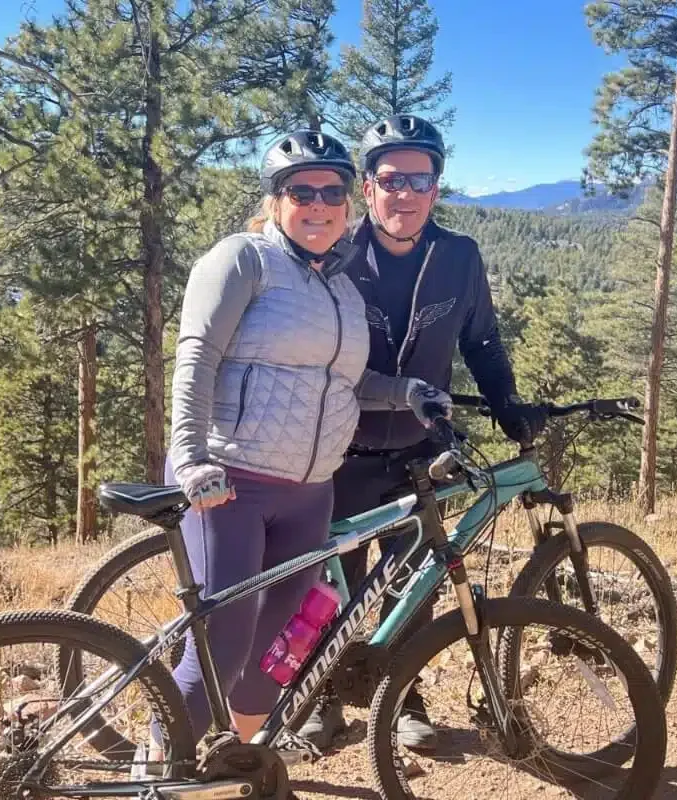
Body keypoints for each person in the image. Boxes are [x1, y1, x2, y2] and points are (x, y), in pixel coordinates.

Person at [161, 129, 452, 751]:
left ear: (348, 203)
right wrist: (189, 457)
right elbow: (196, 357)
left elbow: (343, 380)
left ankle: (239, 761)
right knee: (223, 643)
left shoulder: (341, 290)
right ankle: (157, 770)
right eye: (301, 192)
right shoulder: (244, 260)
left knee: (280, 649)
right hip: (232, 482)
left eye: (331, 192)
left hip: (310, 493)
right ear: (275, 200)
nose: (318, 204)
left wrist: (405, 392)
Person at [297, 115, 548, 752]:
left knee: (416, 583)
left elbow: (482, 341)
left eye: (419, 180)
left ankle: (403, 696)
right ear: (368, 187)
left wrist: (507, 404)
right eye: (390, 180)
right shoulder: (335, 254)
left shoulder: (458, 257)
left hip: (422, 450)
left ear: (435, 188)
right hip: (341, 450)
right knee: (332, 585)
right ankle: (324, 697)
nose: (404, 193)